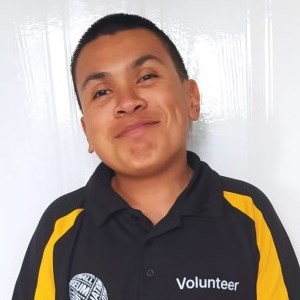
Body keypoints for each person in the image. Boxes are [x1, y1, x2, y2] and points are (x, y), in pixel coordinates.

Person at [13, 13, 300, 300]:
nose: (127, 102)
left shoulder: (249, 215)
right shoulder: (60, 227)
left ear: (191, 99)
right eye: (101, 92)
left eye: (146, 76)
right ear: (87, 131)